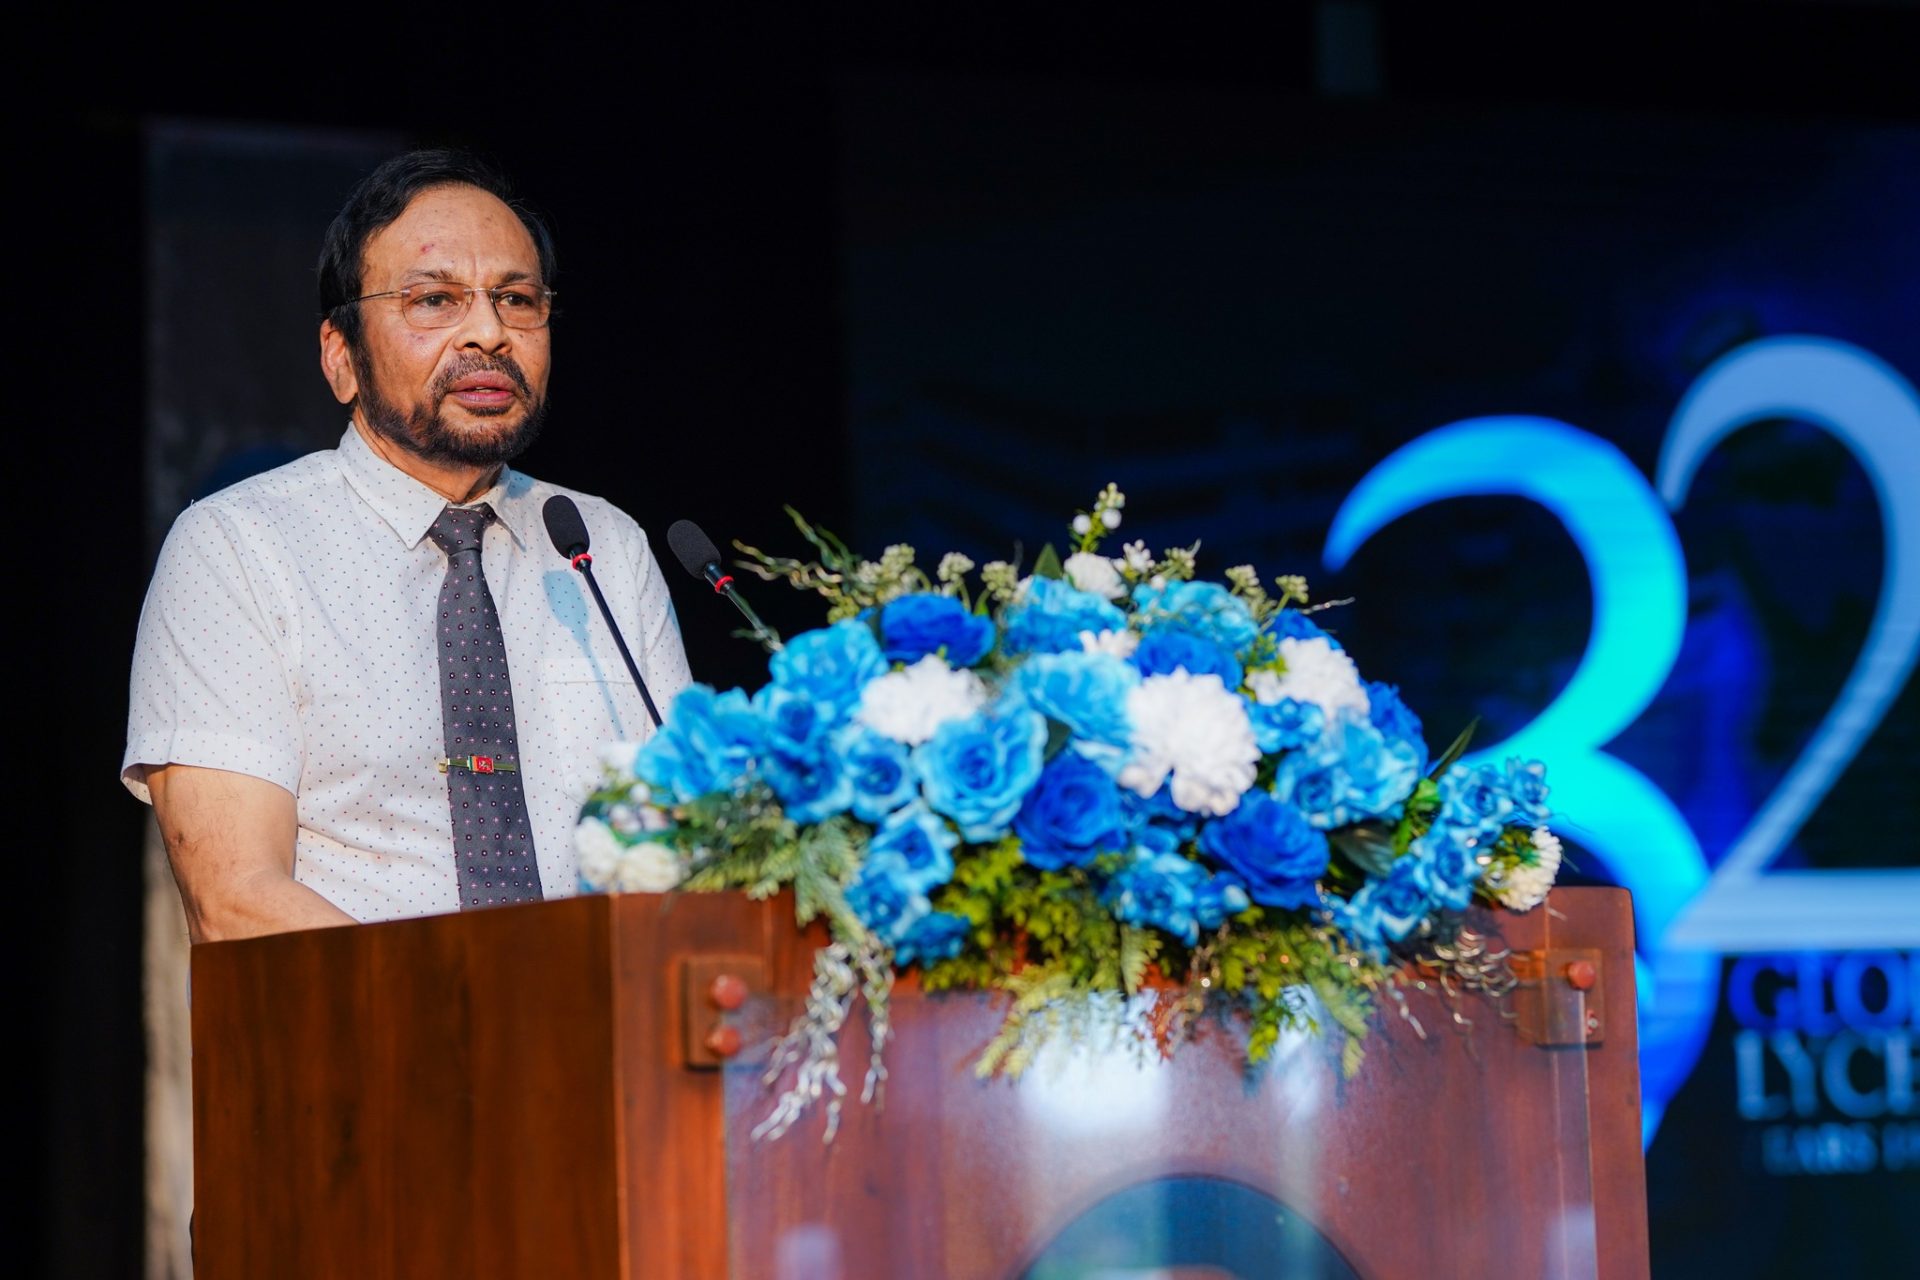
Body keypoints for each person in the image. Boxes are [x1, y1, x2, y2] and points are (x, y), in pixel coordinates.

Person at [123, 150, 691, 942]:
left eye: (517, 299)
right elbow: (238, 899)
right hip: (371, 1046)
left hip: (607, 1042)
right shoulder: (238, 548)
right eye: (435, 300)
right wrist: (478, 1020)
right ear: (341, 358)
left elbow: (688, 844)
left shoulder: (601, 546)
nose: (490, 332)